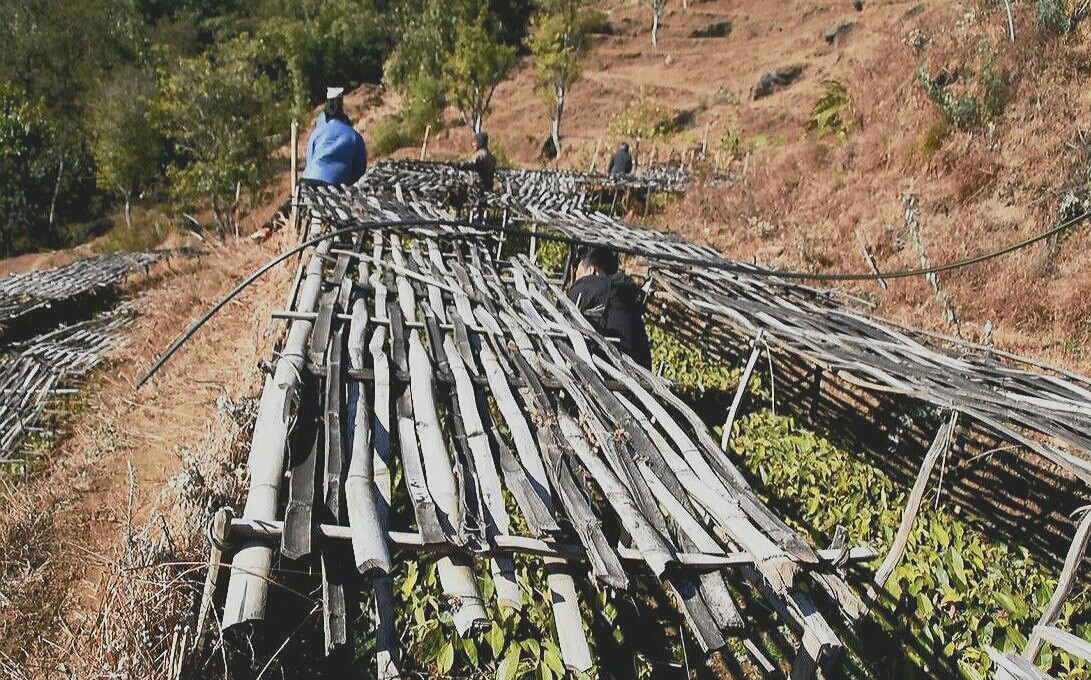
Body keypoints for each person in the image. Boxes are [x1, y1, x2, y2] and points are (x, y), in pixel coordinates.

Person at [567, 247, 652, 369]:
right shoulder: (624, 292)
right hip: (639, 368)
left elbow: (566, 305)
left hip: (617, 368)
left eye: (578, 272)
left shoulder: (591, 286)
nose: (576, 278)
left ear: (591, 270)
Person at [301, 87, 367, 187]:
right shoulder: (354, 136)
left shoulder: (316, 133)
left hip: (307, 180)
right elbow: (360, 169)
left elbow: (309, 161)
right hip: (334, 184)